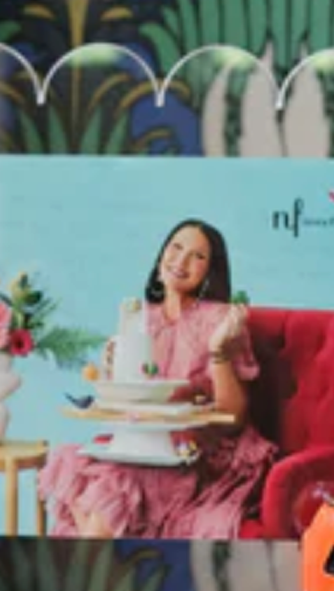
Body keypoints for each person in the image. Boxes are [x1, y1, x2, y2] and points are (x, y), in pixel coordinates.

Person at [40, 219, 277, 540]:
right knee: (69, 461)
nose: (181, 260)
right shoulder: (140, 317)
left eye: (198, 256)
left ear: (210, 271)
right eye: (175, 248)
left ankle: (96, 555)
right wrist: (113, 368)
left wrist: (218, 350)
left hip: (196, 455)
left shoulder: (220, 319)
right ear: (161, 254)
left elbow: (232, 418)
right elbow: (131, 399)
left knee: (108, 500)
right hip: (141, 445)